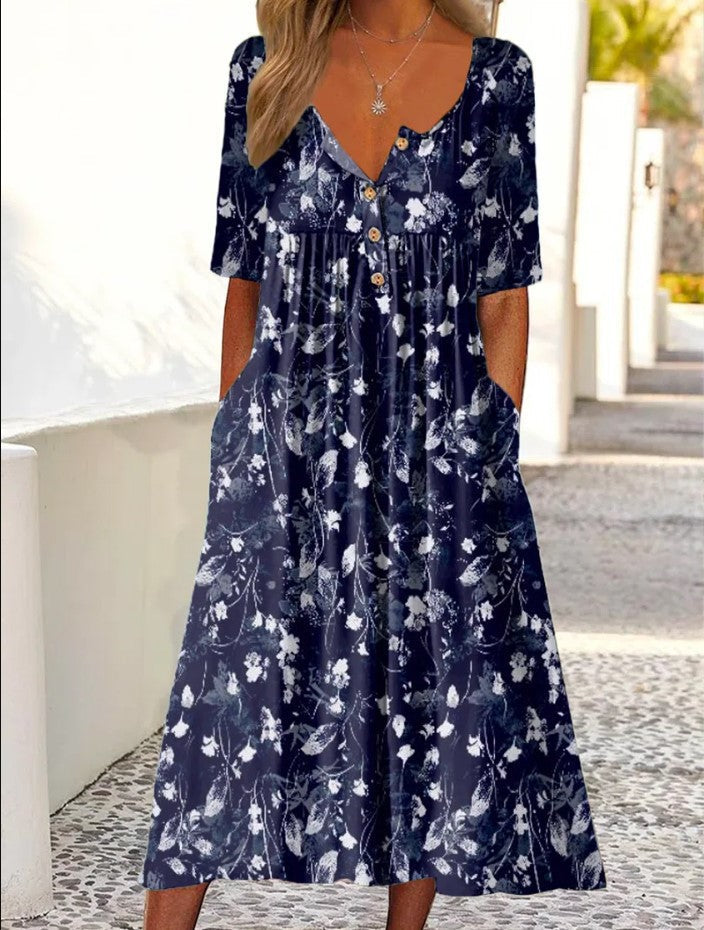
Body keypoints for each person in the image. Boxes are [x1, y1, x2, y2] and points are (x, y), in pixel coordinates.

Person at [140, 2, 607, 928]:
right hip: (285, 453)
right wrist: (238, 440)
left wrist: (487, 450)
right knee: (222, 701)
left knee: (428, 702)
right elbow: (246, 281)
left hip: (442, 452)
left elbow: (504, 294)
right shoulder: (265, 68)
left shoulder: (498, 79)